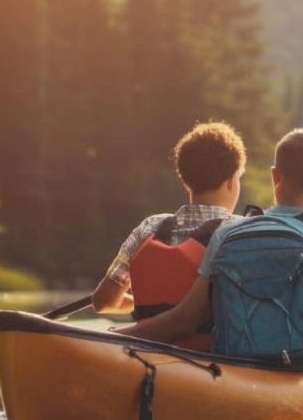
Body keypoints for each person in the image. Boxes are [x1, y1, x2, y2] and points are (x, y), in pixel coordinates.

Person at [120, 128, 303, 371]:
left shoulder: (227, 232)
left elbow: (185, 318)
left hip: (233, 371)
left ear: (275, 176)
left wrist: (110, 338)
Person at [91, 121, 245, 350]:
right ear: (233, 180)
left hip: (146, 356)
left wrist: (145, 305)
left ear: (185, 181)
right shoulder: (240, 231)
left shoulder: (149, 227)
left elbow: (103, 301)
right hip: (214, 363)